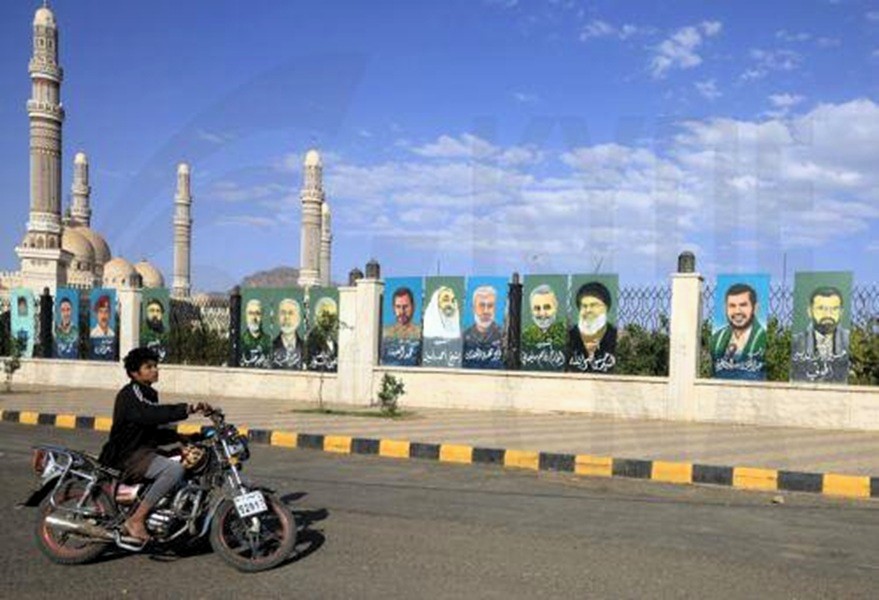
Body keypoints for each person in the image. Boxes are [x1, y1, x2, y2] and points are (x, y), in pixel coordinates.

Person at [98, 347, 210, 542]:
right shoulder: (132, 393)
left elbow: (152, 430)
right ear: (135, 373)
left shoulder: (148, 394)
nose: (155, 370)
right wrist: (188, 409)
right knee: (174, 470)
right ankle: (136, 519)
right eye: (148, 367)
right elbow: (150, 414)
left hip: (141, 451)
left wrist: (182, 438)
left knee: (180, 458)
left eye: (155, 366)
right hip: (127, 456)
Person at [791, 286, 851, 383]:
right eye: (821, 308)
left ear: (841, 312)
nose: (828, 314)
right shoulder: (796, 343)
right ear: (809, 312)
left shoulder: (851, 342)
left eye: (834, 309)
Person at [710, 283, 766, 379]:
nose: (737, 311)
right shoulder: (717, 339)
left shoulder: (763, 338)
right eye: (732, 306)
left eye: (743, 305)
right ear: (725, 308)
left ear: (755, 308)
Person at [566, 281, 617, 373]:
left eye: (594, 305)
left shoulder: (615, 338)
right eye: (584, 306)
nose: (588, 310)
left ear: (606, 308)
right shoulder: (570, 337)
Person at [272, 298, 303, 369]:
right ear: (277, 318)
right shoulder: (270, 348)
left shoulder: (306, 349)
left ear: (298, 319)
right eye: (283, 313)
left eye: (291, 313)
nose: (286, 317)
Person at [240, 298, 270, 367]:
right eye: (250, 313)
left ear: (262, 317)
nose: (254, 318)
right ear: (246, 316)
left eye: (257, 313)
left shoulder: (269, 342)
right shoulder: (241, 342)